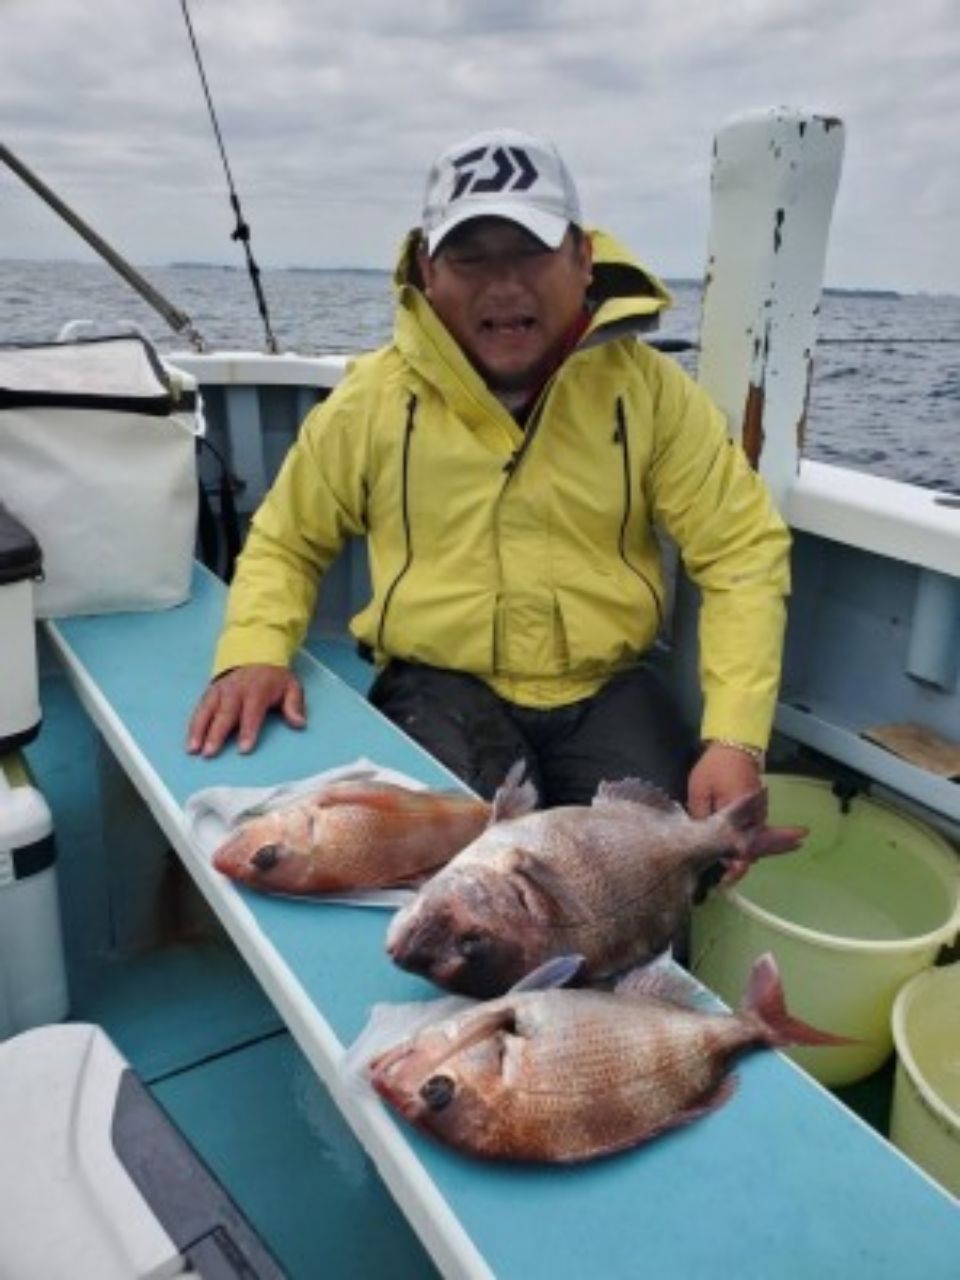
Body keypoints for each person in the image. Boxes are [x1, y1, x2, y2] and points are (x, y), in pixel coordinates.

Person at [187, 127, 790, 818]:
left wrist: (737, 739)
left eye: (531, 253)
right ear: (426, 270)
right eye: (470, 258)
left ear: (584, 257)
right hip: (440, 684)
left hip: (608, 686)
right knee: (463, 869)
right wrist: (254, 652)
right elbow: (290, 539)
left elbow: (741, 548)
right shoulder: (372, 400)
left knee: (658, 861)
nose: (504, 285)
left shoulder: (651, 393)